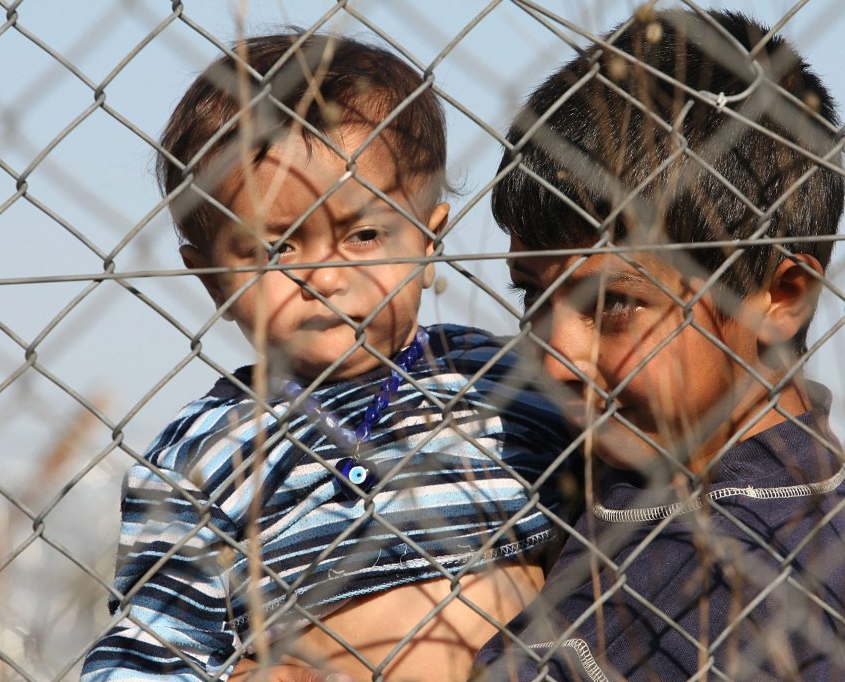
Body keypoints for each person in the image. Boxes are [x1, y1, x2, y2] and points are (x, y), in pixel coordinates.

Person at [81, 34, 575, 682]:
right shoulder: (204, 455)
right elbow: (149, 651)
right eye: (277, 248)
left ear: (428, 244)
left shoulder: (506, 381)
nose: (324, 277)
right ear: (213, 281)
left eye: (364, 235)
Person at [470, 8, 845, 680]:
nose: (554, 359)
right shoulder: (689, 460)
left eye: (614, 305)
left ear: (779, 296)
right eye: (532, 297)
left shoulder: (725, 569)